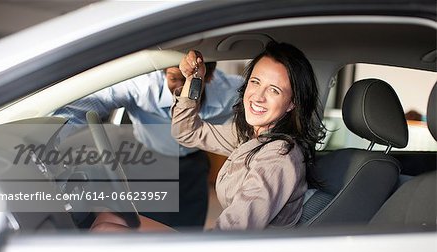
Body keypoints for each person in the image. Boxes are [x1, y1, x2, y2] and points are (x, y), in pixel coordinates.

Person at [92, 41, 325, 231]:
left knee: (106, 230)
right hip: (229, 243)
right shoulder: (250, 138)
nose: (258, 96)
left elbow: (232, 232)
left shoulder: (278, 157)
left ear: (292, 103)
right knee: (108, 217)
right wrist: (194, 79)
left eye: (274, 90)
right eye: (255, 82)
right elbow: (185, 131)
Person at [53, 64, 243, 229]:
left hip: (193, 164)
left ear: (208, 77)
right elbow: (86, 105)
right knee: (147, 228)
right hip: (148, 162)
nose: (180, 89)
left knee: (188, 232)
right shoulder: (140, 86)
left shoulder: (231, 91)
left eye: (189, 82)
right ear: (163, 73)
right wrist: (48, 133)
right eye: (174, 78)